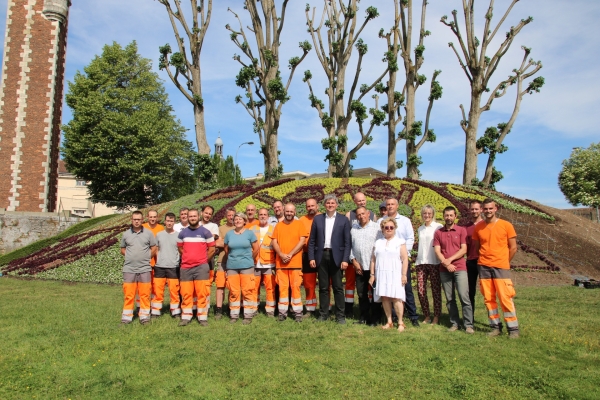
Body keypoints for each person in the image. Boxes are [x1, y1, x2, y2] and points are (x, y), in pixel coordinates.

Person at [472, 199, 519, 338]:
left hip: (501, 267)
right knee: (488, 298)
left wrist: (504, 261)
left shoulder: (506, 225)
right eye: (485, 209)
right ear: (482, 210)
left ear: (495, 209)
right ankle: (495, 326)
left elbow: (513, 248)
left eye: (490, 208)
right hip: (484, 266)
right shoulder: (479, 227)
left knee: (505, 297)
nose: (488, 211)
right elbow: (477, 246)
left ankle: (513, 329)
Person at [308, 194, 351, 324]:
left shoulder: (343, 220)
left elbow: (347, 242)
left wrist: (345, 259)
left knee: (338, 287)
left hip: (337, 256)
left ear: (336, 205)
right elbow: (312, 240)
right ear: (324, 205)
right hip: (321, 255)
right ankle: (323, 314)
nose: (330, 205)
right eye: (328, 203)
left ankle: (340, 316)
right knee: (323, 287)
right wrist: (311, 257)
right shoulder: (318, 219)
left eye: (332, 203)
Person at [377, 198, 420, 327]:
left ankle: (413, 316)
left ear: (397, 206)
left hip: (400, 260)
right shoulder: (380, 221)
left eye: (392, 204)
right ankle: (392, 318)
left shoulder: (405, 221)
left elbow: (410, 238)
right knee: (388, 289)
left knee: (406, 289)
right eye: (388, 204)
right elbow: (379, 239)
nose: (390, 206)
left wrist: (403, 254)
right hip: (386, 262)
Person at [433, 206, 474, 334]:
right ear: (443, 216)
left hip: (460, 267)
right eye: (446, 215)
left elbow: (463, 249)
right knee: (450, 298)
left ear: (455, 216)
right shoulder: (439, 232)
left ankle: (468, 325)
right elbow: (437, 251)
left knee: (464, 296)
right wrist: (446, 263)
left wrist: (449, 260)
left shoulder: (461, 230)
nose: (449, 218)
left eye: (451, 215)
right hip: (444, 269)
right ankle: (454, 323)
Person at [177, 209, 216, 327]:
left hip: (201, 267)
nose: (192, 218)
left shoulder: (206, 232)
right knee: (186, 293)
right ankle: (186, 317)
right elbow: (180, 248)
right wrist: (188, 257)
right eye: (190, 216)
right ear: (187, 217)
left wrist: (203, 261)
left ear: (198, 216)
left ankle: (202, 317)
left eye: (194, 216)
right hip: (185, 267)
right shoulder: (182, 233)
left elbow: (212, 249)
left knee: (202, 293)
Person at [369, 217, 409, 332]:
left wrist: (404, 275)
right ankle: (389, 321)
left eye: (391, 227)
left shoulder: (400, 242)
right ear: (382, 229)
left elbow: (405, 259)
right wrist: (372, 274)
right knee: (385, 297)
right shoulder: (378, 242)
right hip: (381, 274)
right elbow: (373, 259)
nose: (389, 229)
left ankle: (401, 322)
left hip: (395, 273)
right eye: (386, 227)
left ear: (395, 228)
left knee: (397, 298)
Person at [271, 203, 308, 322]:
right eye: (287, 211)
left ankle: (298, 313)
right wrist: (281, 254)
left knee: (295, 288)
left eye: (291, 211)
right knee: (282, 288)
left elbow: (302, 241)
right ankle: (282, 312)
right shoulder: (278, 226)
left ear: (295, 212)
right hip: (281, 263)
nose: (289, 213)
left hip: (295, 263)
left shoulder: (299, 224)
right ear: (283, 211)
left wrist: (290, 254)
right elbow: (274, 242)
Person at [120, 211, 156, 325]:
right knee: (129, 294)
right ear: (132, 220)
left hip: (145, 269)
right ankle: (126, 317)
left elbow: (154, 248)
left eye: (139, 219)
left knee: (145, 294)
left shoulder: (149, 234)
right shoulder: (126, 234)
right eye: (134, 219)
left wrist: (146, 257)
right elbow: (122, 249)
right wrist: (130, 256)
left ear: (142, 220)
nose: (136, 221)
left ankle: (144, 317)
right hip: (129, 269)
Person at [344, 192, 376, 317]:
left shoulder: (374, 217)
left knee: (371, 289)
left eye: (363, 200)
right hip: (356, 261)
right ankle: (352, 310)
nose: (361, 202)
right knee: (355, 287)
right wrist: (353, 259)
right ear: (354, 201)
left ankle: (373, 314)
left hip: (371, 262)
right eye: (359, 201)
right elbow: (349, 240)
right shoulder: (349, 215)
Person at [224, 212, 259, 324]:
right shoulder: (229, 234)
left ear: (244, 221)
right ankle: (234, 315)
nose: (238, 221)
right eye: (236, 219)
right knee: (234, 291)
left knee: (247, 290)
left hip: (247, 266)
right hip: (232, 266)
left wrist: (248, 258)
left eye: (240, 219)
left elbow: (256, 248)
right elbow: (226, 249)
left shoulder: (250, 233)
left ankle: (248, 315)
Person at [349, 206, 379, 324]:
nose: (361, 216)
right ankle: (364, 317)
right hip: (359, 267)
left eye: (363, 214)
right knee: (362, 294)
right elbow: (350, 246)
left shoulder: (377, 228)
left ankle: (375, 318)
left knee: (375, 294)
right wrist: (354, 261)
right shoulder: (354, 229)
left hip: (373, 267)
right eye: (358, 215)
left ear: (368, 213)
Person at [415, 204, 443, 324]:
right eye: (424, 213)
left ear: (433, 214)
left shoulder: (438, 227)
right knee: (421, 290)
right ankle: (426, 315)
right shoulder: (420, 228)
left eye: (429, 213)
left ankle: (436, 315)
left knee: (435, 290)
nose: (426, 215)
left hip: (434, 262)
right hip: (421, 262)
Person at [152, 212, 181, 318]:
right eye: (168, 221)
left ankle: (175, 311)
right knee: (158, 290)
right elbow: (156, 249)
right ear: (165, 221)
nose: (169, 223)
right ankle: (155, 311)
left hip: (173, 267)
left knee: (174, 291)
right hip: (160, 266)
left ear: (174, 222)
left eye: (171, 221)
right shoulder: (159, 235)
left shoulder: (178, 235)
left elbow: (181, 250)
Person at [248, 208, 277, 316]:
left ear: (268, 217)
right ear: (258, 216)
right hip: (255, 263)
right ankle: (253, 308)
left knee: (270, 287)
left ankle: (270, 310)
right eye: (261, 214)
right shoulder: (252, 229)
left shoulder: (273, 229)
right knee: (254, 287)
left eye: (265, 214)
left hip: (269, 263)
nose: (263, 216)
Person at [214, 207, 236, 319]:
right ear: (225, 216)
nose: (231, 217)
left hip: (235, 261)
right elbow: (217, 243)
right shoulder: (221, 228)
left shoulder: (239, 227)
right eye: (229, 215)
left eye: (233, 215)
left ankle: (231, 307)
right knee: (220, 285)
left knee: (233, 286)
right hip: (222, 260)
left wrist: (225, 242)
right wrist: (234, 243)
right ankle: (219, 309)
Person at [299, 198, 319, 317]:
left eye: (313, 205)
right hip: (307, 255)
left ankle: (326, 307)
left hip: (321, 254)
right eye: (308, 206)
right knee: (308, 283)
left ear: (317, 206)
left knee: (325, 283)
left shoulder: (323, 217)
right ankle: (310, 308)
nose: (310, 208)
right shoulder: (302, 220)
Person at [199, 205, 220, 315]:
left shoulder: (214, 225)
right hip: (195, 257)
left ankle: (205, 306)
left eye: (210, 214)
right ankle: (195, 306)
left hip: (208, 257)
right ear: (201, 212)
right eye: (206, 213)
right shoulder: (195, 224)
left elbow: (214, 236)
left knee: (207, 283)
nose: (207, 215)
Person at [465, 200, 484, 315]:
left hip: (484, 261)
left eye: (476, 209)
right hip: (470, 261)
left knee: (487, 292)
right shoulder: (466, 227)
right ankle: (469, 319)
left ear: (481, 210)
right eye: (472, 209)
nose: (474, 211)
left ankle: (493, 321)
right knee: (470, 292)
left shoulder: (486, 224)